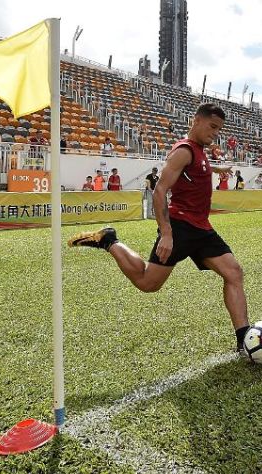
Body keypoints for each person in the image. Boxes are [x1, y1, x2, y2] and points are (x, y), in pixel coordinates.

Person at [68, 104, 250, 354]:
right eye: (212, 127)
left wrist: (216, 169)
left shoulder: (198, 150)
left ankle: (245, 340)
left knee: (234, 272)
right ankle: (109, 240)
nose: (215, 133)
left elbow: (196, 169)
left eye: (219, 129)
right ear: (196, 120)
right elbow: (160, 191)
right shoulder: (184, 150)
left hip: (201, 228)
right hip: (180, 228)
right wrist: (166, 232)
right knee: (147, 283)